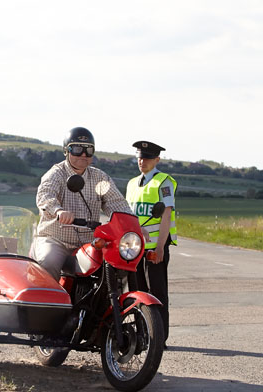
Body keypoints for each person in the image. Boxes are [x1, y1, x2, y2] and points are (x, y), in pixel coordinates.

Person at [34, 127, 132, 281]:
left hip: (88, 242)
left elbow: (117, 203)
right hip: (56, 240)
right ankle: (48, 303)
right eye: (77, 149)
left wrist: (134, 227)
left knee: (113, 265)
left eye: (89, 150)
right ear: (66, 151)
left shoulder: (100, 178)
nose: (83, 154)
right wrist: (58, 211)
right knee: (48, 261)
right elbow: (45, 195)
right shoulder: (56, 174)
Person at [126, 141, 177, 347]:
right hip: (133, 249)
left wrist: (159, 247)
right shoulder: (131, 184)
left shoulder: (163, 182)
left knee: (156, 293)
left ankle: (159, 338)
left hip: (154, 248)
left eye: (147, 158)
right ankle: (141, 334)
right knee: (136, 291)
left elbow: (166, 215)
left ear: (157, 160)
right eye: (139, 157)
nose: (142, 161)